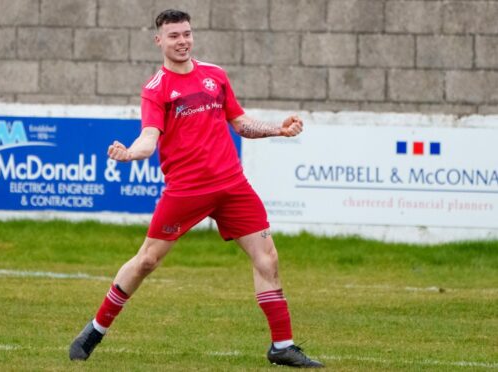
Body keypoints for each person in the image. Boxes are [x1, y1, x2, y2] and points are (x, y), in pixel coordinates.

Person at [69, 9, 324, 368]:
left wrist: (277, 130)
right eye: (173, 36)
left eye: (186, 33)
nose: (182, 41)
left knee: (268, 258)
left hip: (232, 185)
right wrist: (129, 154)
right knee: (146, 261)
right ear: (159, 41)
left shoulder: (215, 76)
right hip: (187, 190)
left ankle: (282, 346)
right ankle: (96, 329)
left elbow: (240, 122)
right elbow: (148, 138)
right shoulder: (156, 90)